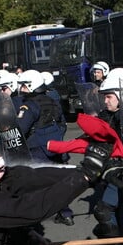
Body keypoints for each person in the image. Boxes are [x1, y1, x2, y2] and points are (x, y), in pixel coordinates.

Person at [16, 69, 74, 226]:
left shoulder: (28, 106)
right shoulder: (52, 101)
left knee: (35, 184)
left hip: (36, 148)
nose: (21, 89)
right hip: (55, 145)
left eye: (23, 86)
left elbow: (21, 128)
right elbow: (61, 123)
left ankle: (34, 219)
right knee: (57, 181)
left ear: (31, 85)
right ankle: (65, 213)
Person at [92, 67, 123, 245]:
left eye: (109, 96)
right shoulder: (107, 115)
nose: (105, 101)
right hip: (113, 170)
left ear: (122, 94)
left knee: (104, 210)